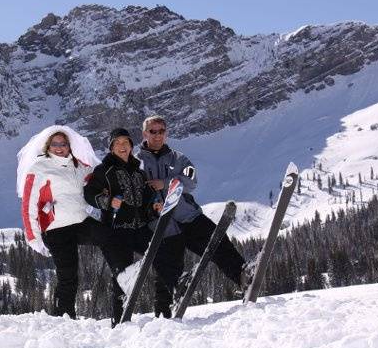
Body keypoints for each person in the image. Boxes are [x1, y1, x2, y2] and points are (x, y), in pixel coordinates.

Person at [136, 115, 249, 295]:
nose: (157, 135)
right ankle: (176, 296)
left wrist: (164, 183)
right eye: (153, 131)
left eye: (161, 131)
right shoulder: (136, 163)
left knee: (217, 243)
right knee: (169, 265)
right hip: (161, 225)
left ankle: (243, 276)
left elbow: (191, 181)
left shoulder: (179, 159)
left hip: (188, 216)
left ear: (166, 134)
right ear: (144, 134)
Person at [84, 128, 185, 325]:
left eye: (126, 143)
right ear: (111, 148)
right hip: (116, 231)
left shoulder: (139, 172)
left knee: (163, 255)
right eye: (117, 143)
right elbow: (89, 193)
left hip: (140, 228)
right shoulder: (104, 171)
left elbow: (148, 198)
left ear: (131, 146)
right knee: (122, 274)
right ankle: (120, 321)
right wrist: (108, 201)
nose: (122, 146)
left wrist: (155, 205)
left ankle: (170, 299)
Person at [18, 126, 116, 319]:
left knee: (110, 237)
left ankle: (124, 273)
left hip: (80, 221)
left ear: (69, 146)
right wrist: (33, 236)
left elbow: (98, 176)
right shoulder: (39, 168)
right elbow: (28, 204)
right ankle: (64, 316)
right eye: (55, 144)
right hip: (56, 228)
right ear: (48, 146)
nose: (59, 147)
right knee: (68, 275)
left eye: (63, 144)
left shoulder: (78, 166)